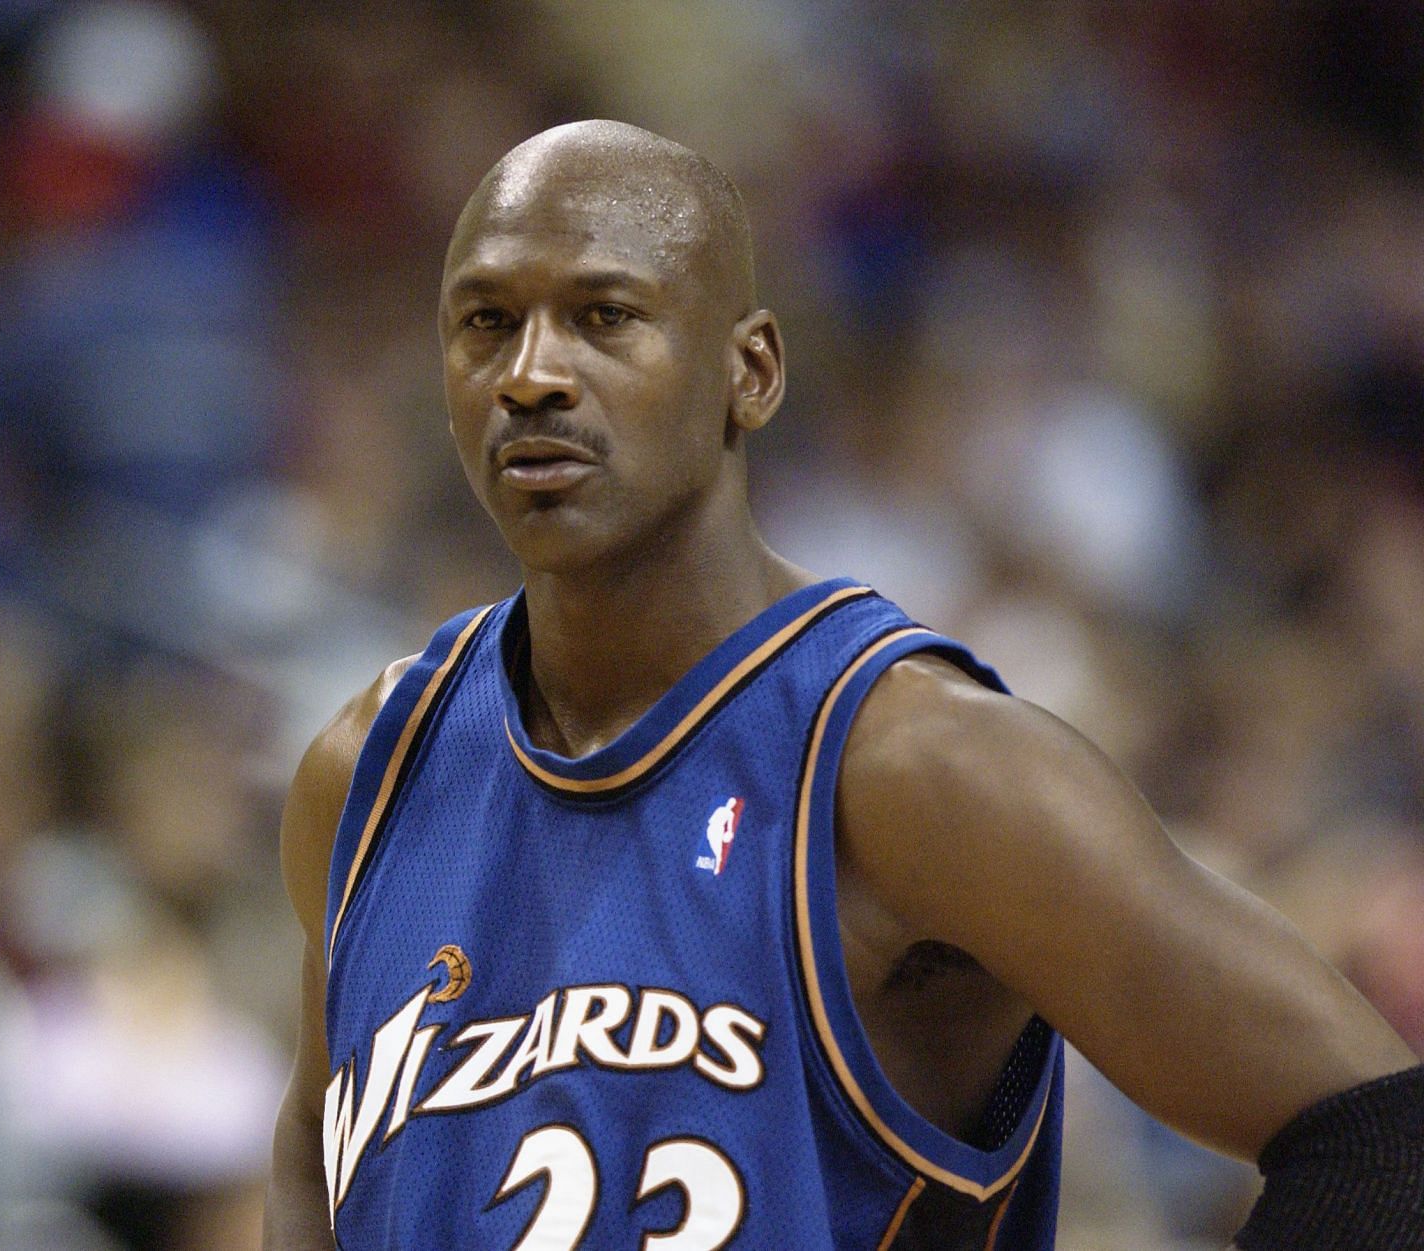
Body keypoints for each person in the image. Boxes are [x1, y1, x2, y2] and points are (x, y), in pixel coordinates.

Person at [262, 121, 1424, 1250]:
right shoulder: (370, 767)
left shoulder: (917, 766)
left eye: (604, 317)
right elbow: (315, 1148)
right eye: (486, 323)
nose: (530, 375)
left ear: (750, 371)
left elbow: (1381, 1138)